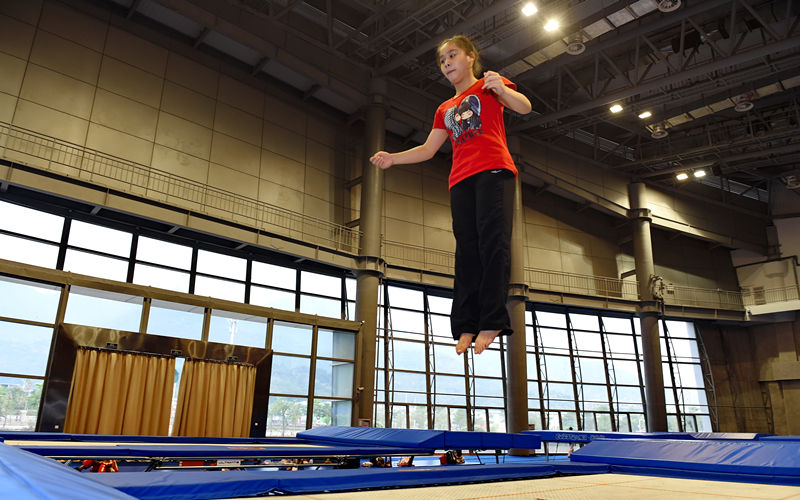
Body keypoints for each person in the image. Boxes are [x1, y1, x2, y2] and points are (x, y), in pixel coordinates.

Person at [370, 35, 531, 355]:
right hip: (460, 180)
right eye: (442, 60)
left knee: (492, 243)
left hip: (494, 171)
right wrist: (393, 158)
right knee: (466, 252)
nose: (446, 63)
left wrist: (501, 89)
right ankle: (466, 323)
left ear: (471, 57)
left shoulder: (488, 85)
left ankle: (492, 319)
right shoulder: (444, 108)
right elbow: (429, 149)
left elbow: (525, 107)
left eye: (452, 56)